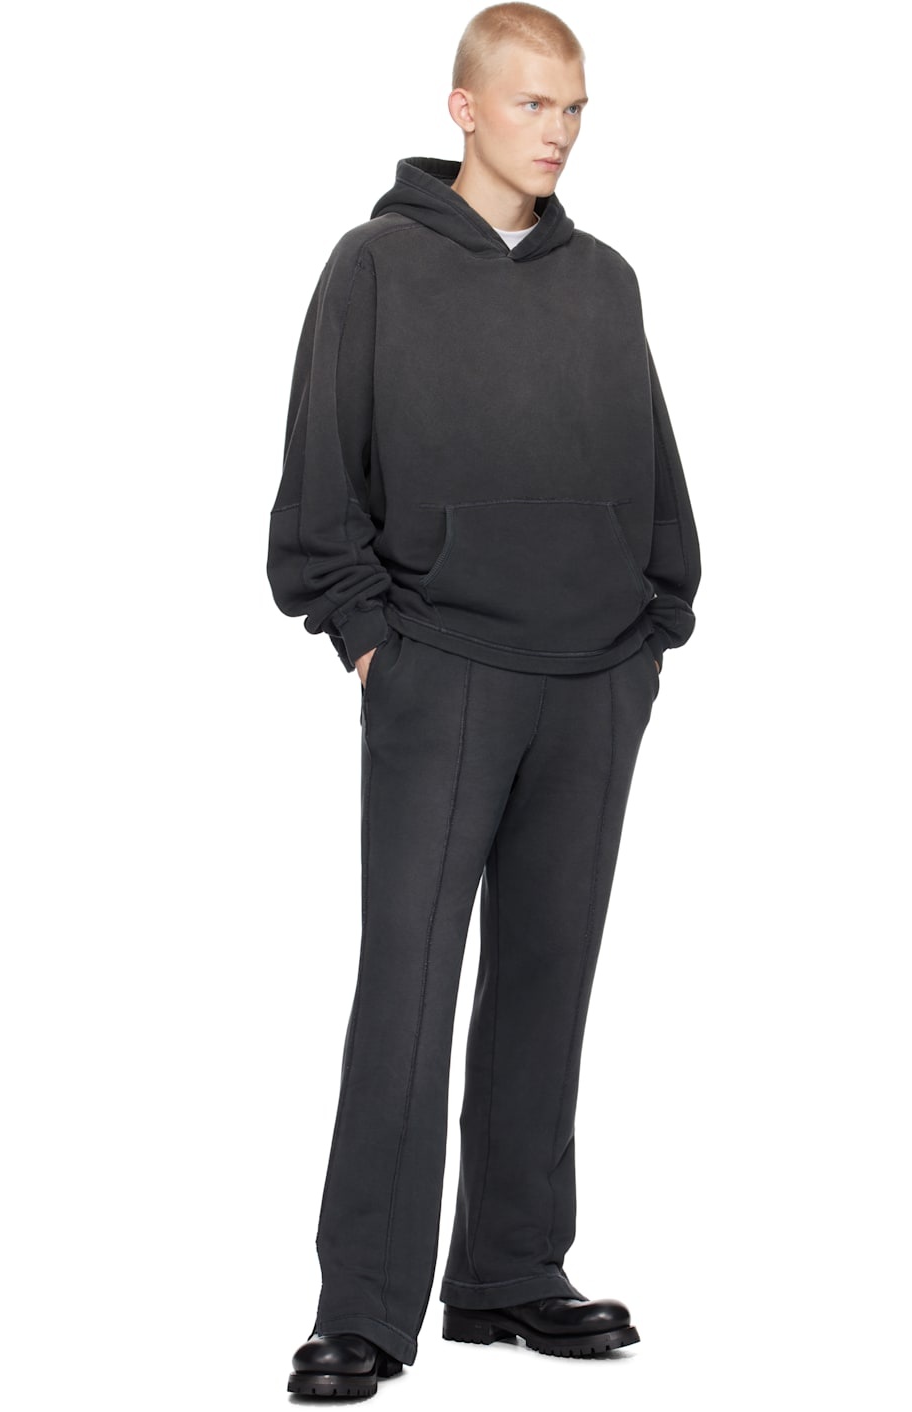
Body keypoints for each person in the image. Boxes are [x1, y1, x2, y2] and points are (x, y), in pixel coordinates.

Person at [267, 3, 701, 1398]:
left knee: (547, 980)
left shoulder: (605, 280)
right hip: (441, 666)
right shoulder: (376, 266)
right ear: (464, 110)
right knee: (406, 986)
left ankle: (510, 1272)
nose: (558, 132)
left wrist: (656, 621)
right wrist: (367, 636)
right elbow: (322, 474)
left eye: (575, 109)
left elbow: (651, 465)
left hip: (596, 676)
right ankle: (364, 1309)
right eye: (531, 105)